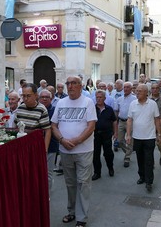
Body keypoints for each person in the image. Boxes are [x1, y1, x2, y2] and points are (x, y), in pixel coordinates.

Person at [51, 76, 97, 227]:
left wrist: (76, 141)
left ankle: (81, 217)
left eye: (74, 83)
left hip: (84, 150)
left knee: (83, 183)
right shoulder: (61, 103)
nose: (70, 86)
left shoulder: (88, 102)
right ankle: (71, 211)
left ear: (80, 86)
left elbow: (91, 126)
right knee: (70, 183)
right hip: (65, 150)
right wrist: (62, 140)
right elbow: (54, 125)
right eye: (68, 84)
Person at [126, 84, 161, 192]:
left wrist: (159, 134)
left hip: (149, 137)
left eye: (140, 91)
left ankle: (149, 182)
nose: (137, 93)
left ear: (146, 93)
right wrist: (128, 134)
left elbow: (156, 119)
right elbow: (129, 120)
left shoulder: (152, 104)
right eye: (136, 91)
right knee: (140, 159)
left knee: (149, 160)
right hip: (137, 137)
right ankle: (142, 176)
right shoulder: (133, 104)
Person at [15, 83, 51, 151]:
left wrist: (45, 149)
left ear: (36, 95)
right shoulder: (20, 108)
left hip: (35, 147)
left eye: (28, 96)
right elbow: (16, 126)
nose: (25, 99)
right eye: (23, 96)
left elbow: (47, 130)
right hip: (21, 147)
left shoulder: (41, 109)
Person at [92, 89, 116, 181]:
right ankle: (97, 172)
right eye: (97, 97)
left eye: (100, 97)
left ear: (105, 98)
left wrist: (115, 133)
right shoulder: (92, 108)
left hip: (107, 134)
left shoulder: (109, 109)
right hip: (95, 135)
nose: (98, 99)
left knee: (108, 153)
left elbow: (114, 121)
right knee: (96, 154)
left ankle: (110, 168)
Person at [39, 89, 59, 195]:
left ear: (51, 99)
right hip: (36, 146)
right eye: (42, 97)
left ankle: (47, 195)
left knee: (48, 173)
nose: (44, 99)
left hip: (51, 145)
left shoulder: (55, 110)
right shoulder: (35, 109)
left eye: (47, 97)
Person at [114, 82, 136, 167]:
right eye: (124, 87)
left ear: (131, 89)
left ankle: (127, 157)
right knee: (119, 141)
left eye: (127, 87)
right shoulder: (119, 99)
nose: (125, 89)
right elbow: (116, 111)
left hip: (130, 121)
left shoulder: (134, 99)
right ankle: (128, 151)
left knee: (129, 141)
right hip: (121, 121)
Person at [150, 83, 161, 166]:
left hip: (160, 125)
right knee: (150, 145)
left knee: (160, 143)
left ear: (159, 89)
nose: (155, 90)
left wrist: (159, 123)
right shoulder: (148, 99)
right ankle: (151, 162)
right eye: (153, 88)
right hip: (150, 126)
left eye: (156, 88)